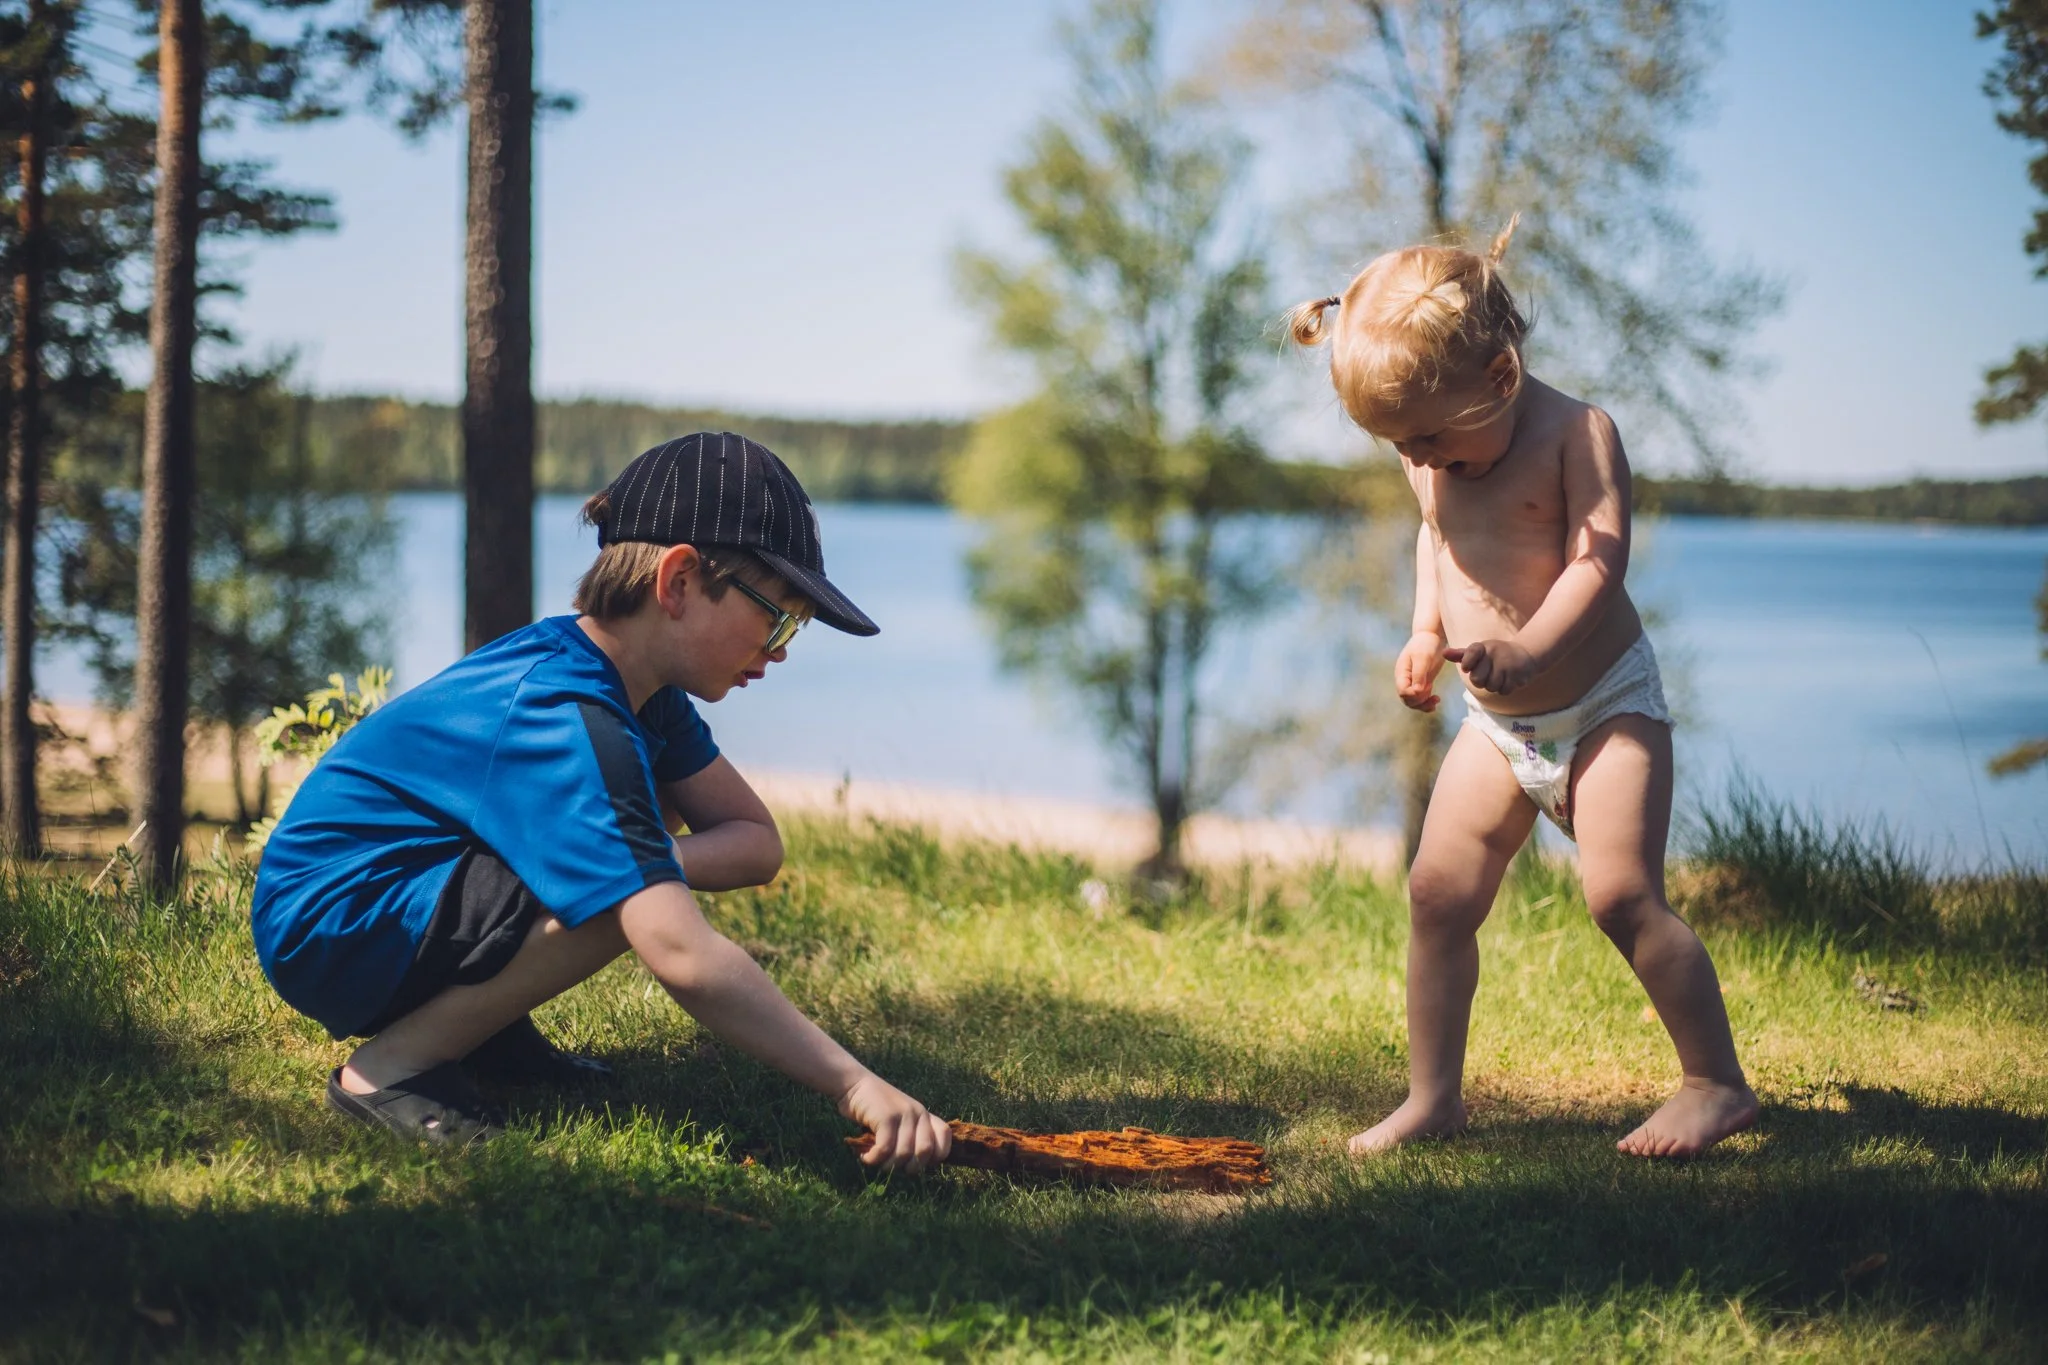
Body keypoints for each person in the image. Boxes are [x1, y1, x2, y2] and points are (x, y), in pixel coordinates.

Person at [251, 432, 952, 1169]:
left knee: (624, 863)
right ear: (679, 582)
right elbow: (678, 948)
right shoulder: (564, 711)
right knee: (627, 895)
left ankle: (484, 1036)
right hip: (335, 918)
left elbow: (755, 839)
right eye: (776, 617)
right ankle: (390, 1069)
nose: (781, 648)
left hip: (395, 896)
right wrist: (856, 1085)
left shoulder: (641, 691)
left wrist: (642, 859)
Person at [1286, 220, 1759, 1159]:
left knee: (1622, 896)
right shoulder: (1431, 447)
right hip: (1499, 726)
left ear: (1499, 378)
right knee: (1437, 893)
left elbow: (1599, 562)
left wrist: (1533, 649)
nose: (1421, 462)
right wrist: (1427, 630)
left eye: (1430, 441)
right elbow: (1438, 537)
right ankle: (1433, 1097)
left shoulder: (1578, 433)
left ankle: (1714, 1083)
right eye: (1402, 446)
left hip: (1603, 707)